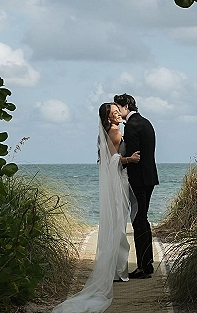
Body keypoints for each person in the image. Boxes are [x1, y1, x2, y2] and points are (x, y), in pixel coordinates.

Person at [52, 102, 140, 313]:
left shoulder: (108, 131)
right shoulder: (116, 131)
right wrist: (132, 158)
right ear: (108, 118)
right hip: (118, 180)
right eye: (115, 113)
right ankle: (117, 270)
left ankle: (116, 269)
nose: (118, 115)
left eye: (119, 112)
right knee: (118, 224)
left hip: (114, 181)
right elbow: (114, 159)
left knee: (115, 223)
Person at [113, 93, 159, 279]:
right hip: (150, 178)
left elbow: (134, 157)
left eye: (118, 107)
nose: (116, 111)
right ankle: (147, 265)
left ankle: (143, 267)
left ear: (126, 107)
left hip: (139, 180)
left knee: (139, 221)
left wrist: (116, 164)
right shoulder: (146, 122)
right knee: (142, 220)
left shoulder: (132, 126)